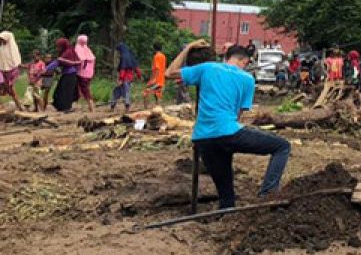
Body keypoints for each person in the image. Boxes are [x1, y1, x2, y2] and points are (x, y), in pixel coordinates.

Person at [167, 40, 291, 209]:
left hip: (202, 139)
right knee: (282, 146)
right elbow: (237, 116)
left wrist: (187, 47)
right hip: (230, 133)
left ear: (225, 57)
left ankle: (226, 211)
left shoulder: (207, 68)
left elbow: (169, 73)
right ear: (245, 61)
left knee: (226, 199)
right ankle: (267, 194)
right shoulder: (247, 79)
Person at [50, 37, 81, 112]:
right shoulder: (64, 52)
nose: (57, 48)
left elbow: (57, 62)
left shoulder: (68, 52)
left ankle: (66, 108)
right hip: (66, 74)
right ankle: (61, 107)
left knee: (66, 92)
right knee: (59, 91)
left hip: (70, 75)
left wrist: (46, 69)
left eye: (58, 46)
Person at [109, 42, 140, 112]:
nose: (119, 53)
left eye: (119, 51)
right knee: (118, 91)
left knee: (125, 92)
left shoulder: (124, 57)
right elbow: (136, 67)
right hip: (129, 78)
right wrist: (139, 75)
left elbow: (123, 69)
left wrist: (120, 79)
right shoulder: (131, 55)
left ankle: (126, 107)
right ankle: (113, 106)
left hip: (125, 78)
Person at [73, 35, 97, 112]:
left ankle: (91, 106)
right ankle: (87, 104)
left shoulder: (78, 48)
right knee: (84, 88)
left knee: (84, 90)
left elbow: (79, 60)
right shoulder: (88, 49)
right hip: (89, 74)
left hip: (81, 73)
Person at [0, 31, 23, 110]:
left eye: (3, 39)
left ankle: (20, 107)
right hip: (2, 72)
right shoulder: (2, 48)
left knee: (11, 90)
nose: (1, 41)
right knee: (3, 89)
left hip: (11, 72)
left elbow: (16, 62)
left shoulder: (13, 49)